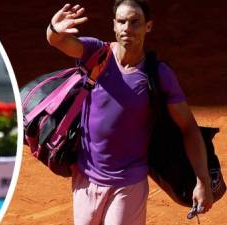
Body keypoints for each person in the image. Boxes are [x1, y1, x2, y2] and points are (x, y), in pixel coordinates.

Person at [47, 1, 213, 224]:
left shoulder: (158, 74)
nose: (127, 28)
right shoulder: (97, 53)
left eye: (135, 22)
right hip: (85, 178)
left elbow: (188, 127)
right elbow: (58, 41)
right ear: (114, 25)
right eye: (122, 22)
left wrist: (202, 181)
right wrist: (54, 29)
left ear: (148, 27)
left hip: (128, 184)